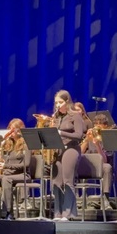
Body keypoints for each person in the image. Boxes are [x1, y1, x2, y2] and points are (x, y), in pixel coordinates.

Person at [51, 90, 86, 221]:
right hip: (59, 150)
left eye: (60, 102)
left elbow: (79, 135)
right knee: (56, 182)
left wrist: (61, 133)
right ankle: (57, 213)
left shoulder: (75, 116)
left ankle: (68, 214)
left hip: (71, 148)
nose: (57, 105)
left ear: (67, 102)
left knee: (67, 180)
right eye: (56, 103)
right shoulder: (57, 117)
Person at [0, 119, 31, 219]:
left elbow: (26, 164)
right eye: (9, 129)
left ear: (19, 130)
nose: (11, 133)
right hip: (9, 174)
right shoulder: (7, 145)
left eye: (13, 130)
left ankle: (8, 212)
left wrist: (6, 166)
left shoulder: (26, 144)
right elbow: (4, 161)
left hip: (23, 174)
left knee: (6, 179)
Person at [80, 112, 115, 210]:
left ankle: (105, 199)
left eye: (100, 124)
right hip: (88, 164)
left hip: (101, 165)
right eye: (95, 124)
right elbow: (80, 153)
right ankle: (78, 199)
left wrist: (97, 145)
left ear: (105, 126)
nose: (97, 126)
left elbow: (104, 160)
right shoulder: (89, 137)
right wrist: (87, 140)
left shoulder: (108, 140)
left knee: (107, 168)